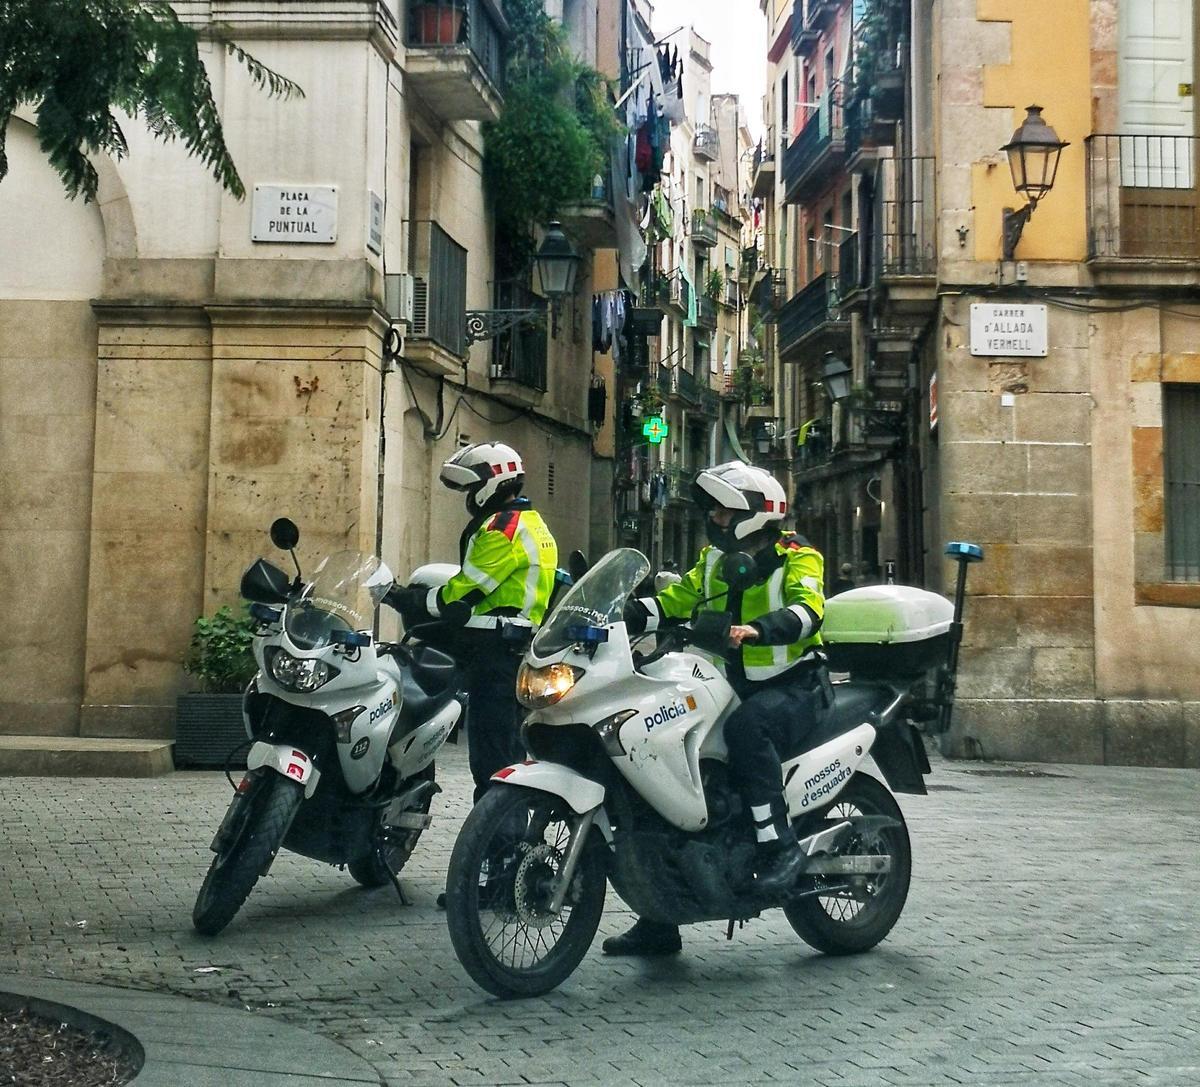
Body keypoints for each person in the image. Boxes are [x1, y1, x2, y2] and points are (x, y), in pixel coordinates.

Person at [603, 460, 827, 957]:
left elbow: (809, 609)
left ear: (755, 513)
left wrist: (761, 629)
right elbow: (676, 600)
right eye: (714, 512)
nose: (716, 521)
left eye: (725, 513)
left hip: (793, 686)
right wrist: (618, 613)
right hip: (727, 682)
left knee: (749, 730)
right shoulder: (710, 559)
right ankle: (659, 915)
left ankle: (780, 847)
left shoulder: (797, 555)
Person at [387, 441, 558, 803]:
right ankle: (503, 838)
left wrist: (408, 598)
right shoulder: (531, 522)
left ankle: (496, 846)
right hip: (510, 647)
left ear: (492, 482)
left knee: (492, 759)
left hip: (494, 653)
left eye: (471, 487)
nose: (468, 497)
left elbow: (464, 592)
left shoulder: (502, 529)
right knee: (505, 751)